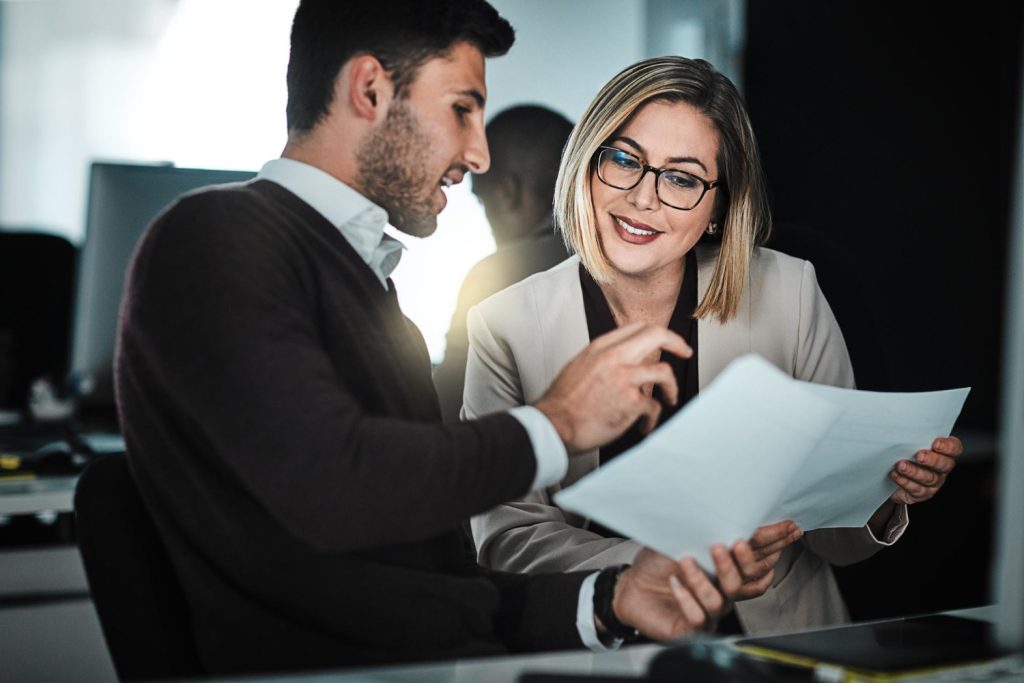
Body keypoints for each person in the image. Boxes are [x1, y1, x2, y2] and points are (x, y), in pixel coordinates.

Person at [114, 4, 790, 675]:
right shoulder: (210, 239)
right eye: (463, 108)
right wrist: (556, 423)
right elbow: (335, 487)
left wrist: (613, 598)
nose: (479, 152)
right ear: (370, 90)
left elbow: (444, 591)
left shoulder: (376, 300)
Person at [464, 56, 963, 636]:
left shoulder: (790, 292)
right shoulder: (502, 324)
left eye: (681, 177)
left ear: (717, 208)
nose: (644, 198)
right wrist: (649, 572)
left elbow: (836, 539)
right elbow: (506, 538)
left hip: (779, 642)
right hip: (598, 644)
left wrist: (882, 492)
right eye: (624, 159)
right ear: (586, 164)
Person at [434, 105, 573, 422]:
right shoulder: (625, 259)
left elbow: (447, 411)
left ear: (508, 192)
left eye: (483, 200)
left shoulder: (499, 274)